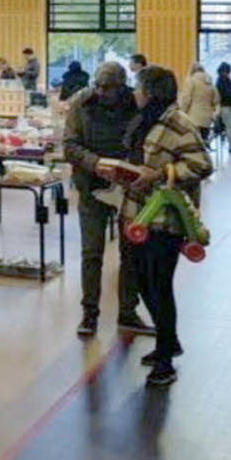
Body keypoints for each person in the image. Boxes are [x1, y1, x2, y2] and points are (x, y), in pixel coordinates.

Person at [118, 66, 212, 386]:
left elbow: (201, 164)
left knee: (159, 286)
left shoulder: (178, 123)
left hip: (164, 220)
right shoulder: (145, 121)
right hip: (138, 215)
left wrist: (159, 175)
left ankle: (166, 360)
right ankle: (166, 343)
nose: (135, 93)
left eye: (139, 88)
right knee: (144, 282)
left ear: (150, 93)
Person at [63, 62, 149, 336]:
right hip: (91, 186)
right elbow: (69, 145)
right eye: (98, 85)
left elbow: (145, 143)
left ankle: (128, 311)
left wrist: (131, 166)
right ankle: (89, 313)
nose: (101, 91)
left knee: (131, 253)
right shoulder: (81, 103)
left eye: (108, 87)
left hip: (129, 188)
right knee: (91, 252)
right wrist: (94, 162)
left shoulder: (137, 106)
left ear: (122, 86)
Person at [179, 62, 219, 142]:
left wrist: (181, 113)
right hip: (207, 121)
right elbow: (217, 101)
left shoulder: (191, 81)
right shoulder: (210, 84)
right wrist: (214, 115)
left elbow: (186, 99)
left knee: (193, 143)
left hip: (193, 119)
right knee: (203, 142)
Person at [217, 63, 231, 144]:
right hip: (225, 106)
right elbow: (225, 94)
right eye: (227, 71)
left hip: (226, 106)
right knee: (229, 126)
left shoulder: (225, 80)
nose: (228, 73)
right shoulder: (221, 81)